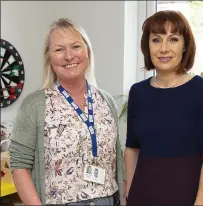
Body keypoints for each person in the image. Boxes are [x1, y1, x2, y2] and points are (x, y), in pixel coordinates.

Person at [9, 18, 125, 205]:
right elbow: (19, 164)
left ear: (87, 51)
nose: (69, 56)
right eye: (59, 49)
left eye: (76, 46)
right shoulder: (34, 105)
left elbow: (117, 159)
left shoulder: (106, 101)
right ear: (49, 57)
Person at [124, 10, 203, 205]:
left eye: (173, 39)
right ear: (147, 46)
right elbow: (132, 149)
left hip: (185, 198)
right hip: (141, 197)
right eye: (156, 40)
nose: (164, 48)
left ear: (185, 45)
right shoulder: (138, 92)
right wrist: (128, 196)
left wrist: (200, 203)